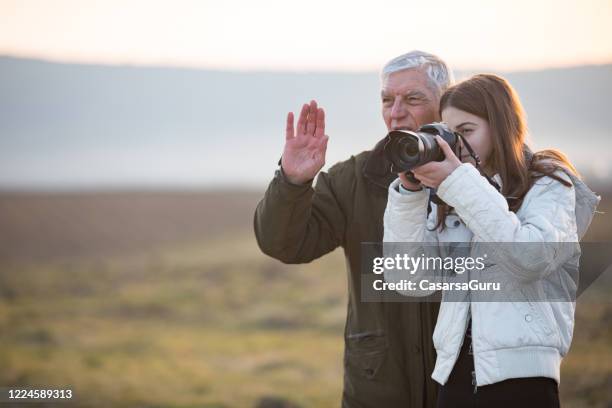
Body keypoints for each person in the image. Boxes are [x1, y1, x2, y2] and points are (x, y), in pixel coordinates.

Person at [383, 74, 600, 407]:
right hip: (453, 377)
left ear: (502, 127)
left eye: (467, 132)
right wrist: (410, 194)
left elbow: (530, 260)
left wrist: (459, 183)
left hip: (522, 379)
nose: (457, 144)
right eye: (450, 134)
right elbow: (410, 280)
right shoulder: (452, 195)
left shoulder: (549, 184)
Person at [254, 51, 453, 407]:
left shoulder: (477, 177)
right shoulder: (354, 179)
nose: (395, 112)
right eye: (387, 100)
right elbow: (283, 245)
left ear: (445, 104)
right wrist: (292, 182)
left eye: (412, 99)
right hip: (377, 388)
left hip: (462, 389)